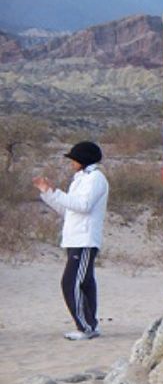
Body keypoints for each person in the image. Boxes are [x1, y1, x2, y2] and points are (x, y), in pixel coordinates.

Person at [33, 141, 108, 341]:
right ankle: (90, 325)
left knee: (70, 283)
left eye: (74, 159)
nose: (71, 163)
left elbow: (83, 205)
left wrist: (57, 192)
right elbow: (69, 211)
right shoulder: (79, 179)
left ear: (83, 159)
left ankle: (85, 327)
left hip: (85, 240)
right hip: (74, 239)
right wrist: (48, 193)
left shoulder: (96, 178)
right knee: (84, 283)